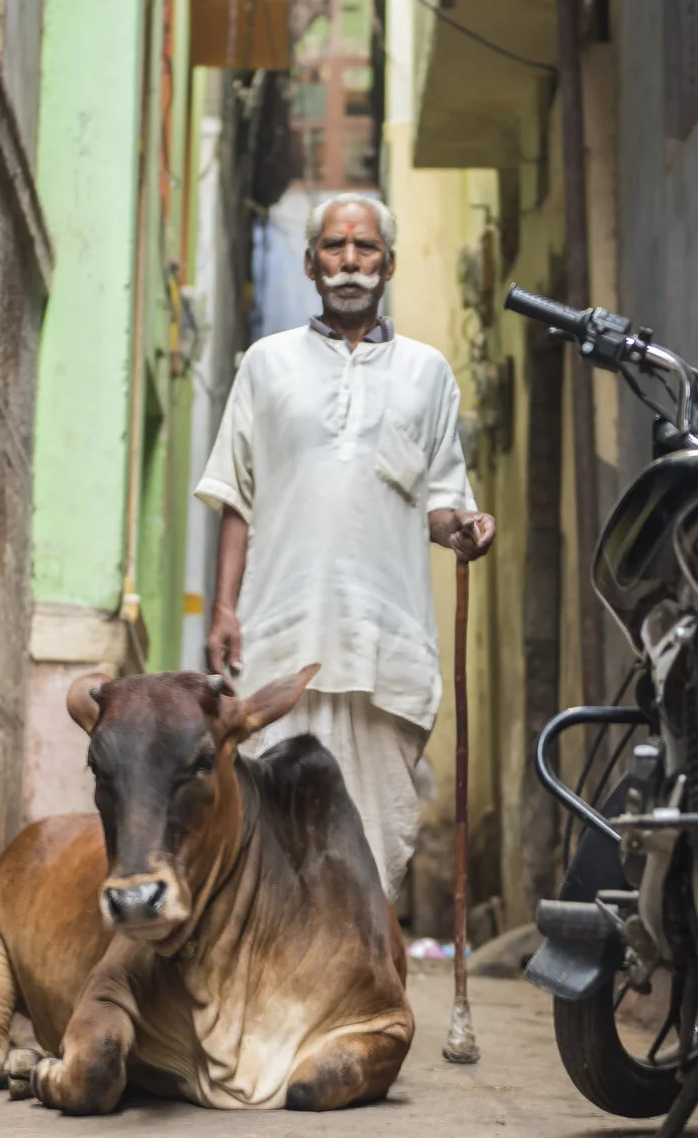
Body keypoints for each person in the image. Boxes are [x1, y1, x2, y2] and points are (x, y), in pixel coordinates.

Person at [196, 194, 495, 903]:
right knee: (269, 846)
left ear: (388, 263)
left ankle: (355, 1003)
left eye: (365, 249)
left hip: (382, 649)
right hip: (279, 638)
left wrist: (464, 530)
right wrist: (225, 609)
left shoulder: (429, 374)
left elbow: (441, 501)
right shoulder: (266, 365)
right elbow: (237, 495)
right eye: (334, 247)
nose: (350, 261)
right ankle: (276, 1000)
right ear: (310, 263)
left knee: (370, 852)